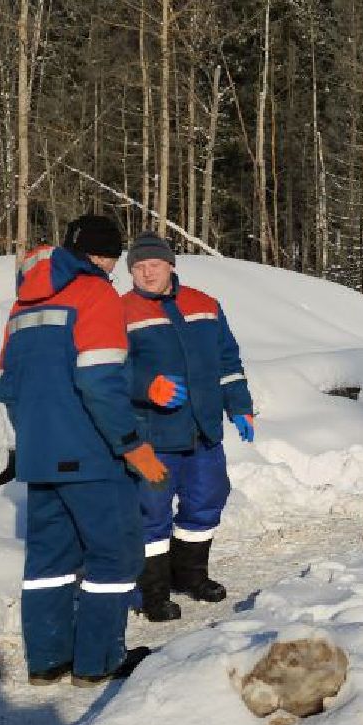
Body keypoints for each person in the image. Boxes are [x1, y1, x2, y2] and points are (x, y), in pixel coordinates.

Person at [0, 213, 167, 686]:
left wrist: (35, 438)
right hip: (92, 456)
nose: (112, 270)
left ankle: (47, 661)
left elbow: (7, 388)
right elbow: (99, 381)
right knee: (114, 556)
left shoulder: (20, 308)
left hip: (38, 455)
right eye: (112, 260)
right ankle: (99, 661)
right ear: (101, 256)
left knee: (49, 561)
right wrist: (131, 445)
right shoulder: (96, 294)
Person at [120, 232, 256, 618]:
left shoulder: (205, 305)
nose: (147, 273)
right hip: (153, 435)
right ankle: (153, 592)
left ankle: (190, 575)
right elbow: (111, 370)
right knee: (151, 511)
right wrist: (148, 387)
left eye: (155, 265)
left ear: (170, 265)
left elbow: (228, 363)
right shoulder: (121, 311)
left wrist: (240, 407)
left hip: (203, 430)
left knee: (207, 498)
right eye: (139, 267)